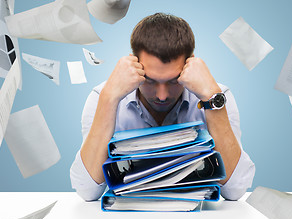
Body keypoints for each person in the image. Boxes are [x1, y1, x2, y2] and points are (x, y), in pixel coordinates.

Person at [70, 13, 255, 201]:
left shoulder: (217, 97)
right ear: (133, 63)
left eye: (174, 81)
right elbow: (87, 191)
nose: (162, 95)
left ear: (191, 64)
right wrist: (109, 98)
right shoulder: (103, 97)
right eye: (149, 81)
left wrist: (211, 99)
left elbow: (235, 191)